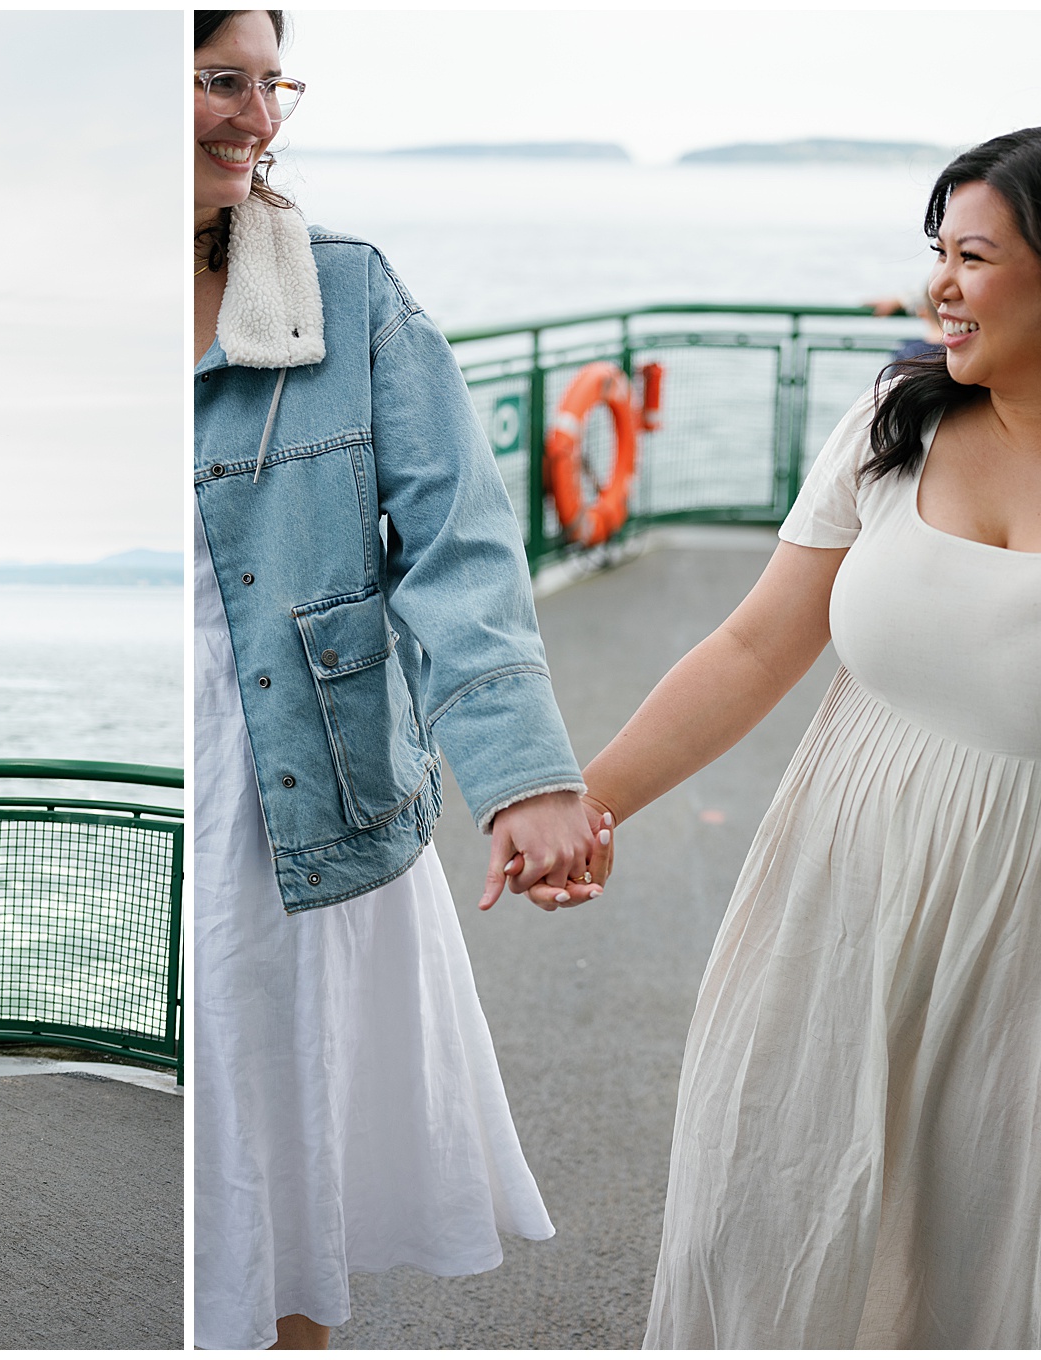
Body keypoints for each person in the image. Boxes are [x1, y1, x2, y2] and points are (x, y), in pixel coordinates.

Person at [573, 123, 1041, 1347]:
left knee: (974, 1270)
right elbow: (755, 648)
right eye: (936, 251)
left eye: (975, 255)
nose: (940, 287)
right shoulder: (889, 429)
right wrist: (585, 804)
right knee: (755, 1216)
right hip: (831, 895)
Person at [191, 11, 607, 1349]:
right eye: (220, 82)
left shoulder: (346, 288)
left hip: (297, 785)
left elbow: (457, 544)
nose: (257, 118)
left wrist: (527, 779)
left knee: (285, 1175)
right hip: (177, 760)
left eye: (272, 85)